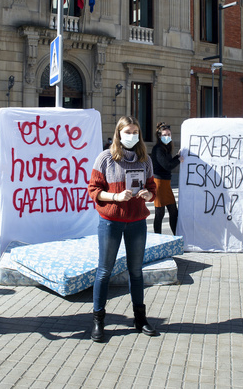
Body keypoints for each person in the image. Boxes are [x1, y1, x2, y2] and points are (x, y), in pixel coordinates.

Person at [88, 116, 159, 342]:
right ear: (118, 133)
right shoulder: (105, 159)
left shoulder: (144, 160)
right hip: (111, 221)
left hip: (137, 221)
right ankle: (98, 321)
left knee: (136, 271)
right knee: (104, 271)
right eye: (128, 131)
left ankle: (140, 319)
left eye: (135, 131)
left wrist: (149, 194)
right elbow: (93, 190)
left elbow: (151, 187)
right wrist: (116, 196)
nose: (132, 135)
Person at [151, 122, 182, 235]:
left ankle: (176, 235)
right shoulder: (158, 149)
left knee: (173, 211)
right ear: (159, 136)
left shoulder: (166, 148)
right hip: (159, 183)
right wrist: (178, 159)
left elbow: (168, 163)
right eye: (164, 135)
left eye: (169, 134)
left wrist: (177, 157)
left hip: (166, 183)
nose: (167, 137)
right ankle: (157, 238)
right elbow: (167, 165)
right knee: (160, 213)